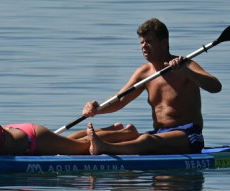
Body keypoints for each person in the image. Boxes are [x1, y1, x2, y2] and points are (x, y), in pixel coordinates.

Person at [82, 18, 221, 155]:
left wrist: (186, 72)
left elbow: (215, 86)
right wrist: (96, 109)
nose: (144, 46)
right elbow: (120, 99)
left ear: (164, 43)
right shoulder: (144, 73)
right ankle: (84, 147)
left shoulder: (186, 65)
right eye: (142, 42)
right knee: (128, 136)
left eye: (149, 41)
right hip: (160, 134)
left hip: (188, 135)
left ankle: (105, 149)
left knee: (147, 140)